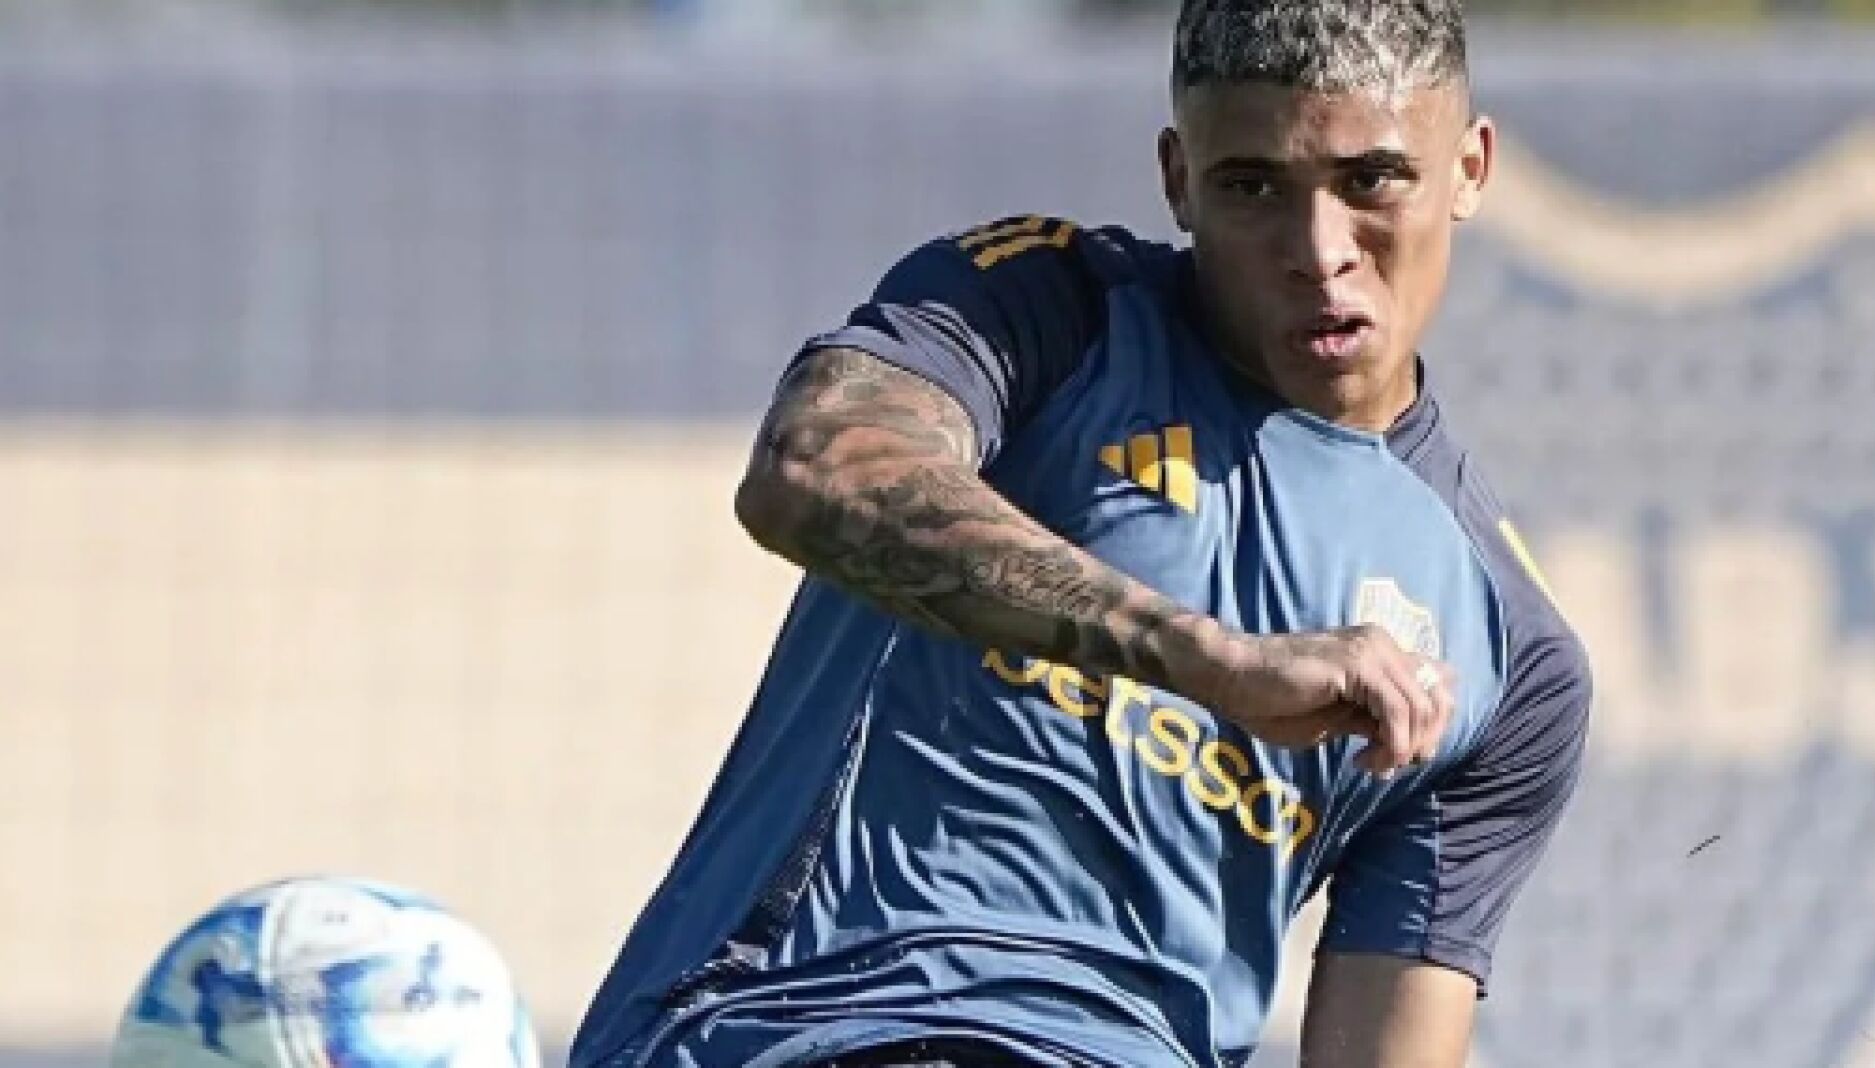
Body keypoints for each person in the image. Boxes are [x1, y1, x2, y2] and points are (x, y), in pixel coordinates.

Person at [572, 1, 1590, 1065]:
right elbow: (814, 471)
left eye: (1372, 179)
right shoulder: (1045, 307)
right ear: (1178, 180)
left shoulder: (1513, 656)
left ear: (1469, 168)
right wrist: (1213, 663)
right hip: (806, 1031)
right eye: (1251, 187)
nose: (1318, 251)